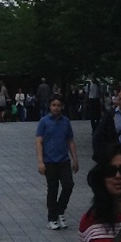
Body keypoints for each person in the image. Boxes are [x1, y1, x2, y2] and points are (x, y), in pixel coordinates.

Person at [36, 93, 79, 229]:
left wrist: (75, 159)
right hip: (49, 160)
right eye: (54, 105)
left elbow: (70, 140)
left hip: (64, 160)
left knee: (68, 185)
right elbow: (39, 141)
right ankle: (52, 217)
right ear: (50, 106)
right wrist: (40, 162)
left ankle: (60, 210)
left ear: (62, 107)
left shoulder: (66, 121)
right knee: (52, 189)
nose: (56, 108)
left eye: (59, 105)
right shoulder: (44, 122)